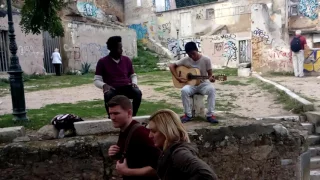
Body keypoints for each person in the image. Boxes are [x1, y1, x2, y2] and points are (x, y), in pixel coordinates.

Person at [148, 109, 218, 180]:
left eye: (154, 131)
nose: (150, 135)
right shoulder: (169, 150)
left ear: (166, 131)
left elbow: (207, 175)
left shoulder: (179, 153)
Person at [107, 95, 161, 180]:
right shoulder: (124, 129)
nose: (112, 118)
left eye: (116, 113)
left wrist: (127, 172)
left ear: (129, 113)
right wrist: (115, 153)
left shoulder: (141, 134)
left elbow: (160, 166)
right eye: (110, 114)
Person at [169, 42, 217, 123]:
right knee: (184, 90)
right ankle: (188, 115)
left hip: (203, 84)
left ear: (197, 50)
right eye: (189, 55)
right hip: (191, 85)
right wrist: (177, 77)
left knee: (212, 90)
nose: (192, 56)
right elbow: (171, 66)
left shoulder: (206, 60)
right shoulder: (186, 59)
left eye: (193, 54)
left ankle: (210, 115)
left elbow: (210, 75)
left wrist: (211, 79)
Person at [94, 36, 142, 118]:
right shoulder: (102, 62)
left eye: (121, 47)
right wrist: (104, 85)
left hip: (126, 86)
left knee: (137, 93)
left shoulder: (127, 60)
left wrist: (134, 83)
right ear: (112, 49)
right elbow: (97, 80)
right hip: (112, 88)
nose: (121, 50)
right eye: (119, 48)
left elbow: (133, 75)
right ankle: (111, 117)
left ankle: (132, 116)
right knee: (108, 95)